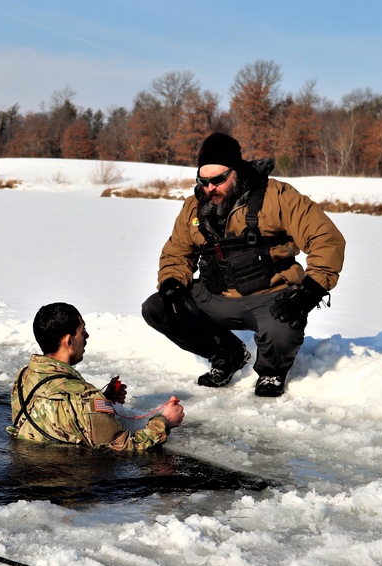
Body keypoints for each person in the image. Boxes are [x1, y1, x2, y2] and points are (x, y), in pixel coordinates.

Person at [141, 132, 346, 397]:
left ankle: (272, 372)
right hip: (214, 294)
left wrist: (311, 290)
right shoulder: (194, 207)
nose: (210, 187)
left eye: (218, 180)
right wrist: (171, 284)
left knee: (284, 325)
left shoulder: (277, 196)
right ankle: (227, 353)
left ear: (235, 171)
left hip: (269, 296)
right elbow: (177, 252)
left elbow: (326, 237)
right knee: (158, 308)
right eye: (203, 181)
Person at [10, 302, 185, 452]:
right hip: (67, 483)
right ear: (69, 341)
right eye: (82, 330)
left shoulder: (24, 376)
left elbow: (58, 418)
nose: (86, 336)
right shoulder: (84, 396)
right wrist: (165, 422)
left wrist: (103, 402)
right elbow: (126, 449)